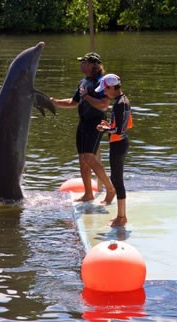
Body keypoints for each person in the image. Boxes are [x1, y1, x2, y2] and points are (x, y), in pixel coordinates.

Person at [51, 52, 116, 204]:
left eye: (84, 62)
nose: (81, 64)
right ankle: (88, 194)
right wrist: (54, 102)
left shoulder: (102, 82)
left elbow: (104, 105)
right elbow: (74, 102)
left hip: (97, 123)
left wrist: (86, 96)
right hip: (83, 123)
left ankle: (110, 189)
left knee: (89, 157)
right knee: (82, 159)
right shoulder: (83, 82)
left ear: (93, 64)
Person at [95, 74, 132, 226]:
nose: (104, 93)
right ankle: (121, 215)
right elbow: (125, 125)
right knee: (116, 178)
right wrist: (108, 125)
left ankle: (122, 217)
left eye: (105, 89)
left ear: (111, 87)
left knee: (117, 180)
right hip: (118, 143)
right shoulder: (122, 101)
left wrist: (104, 129)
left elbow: (119, 129)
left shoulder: (120, 104)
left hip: (119, 144)